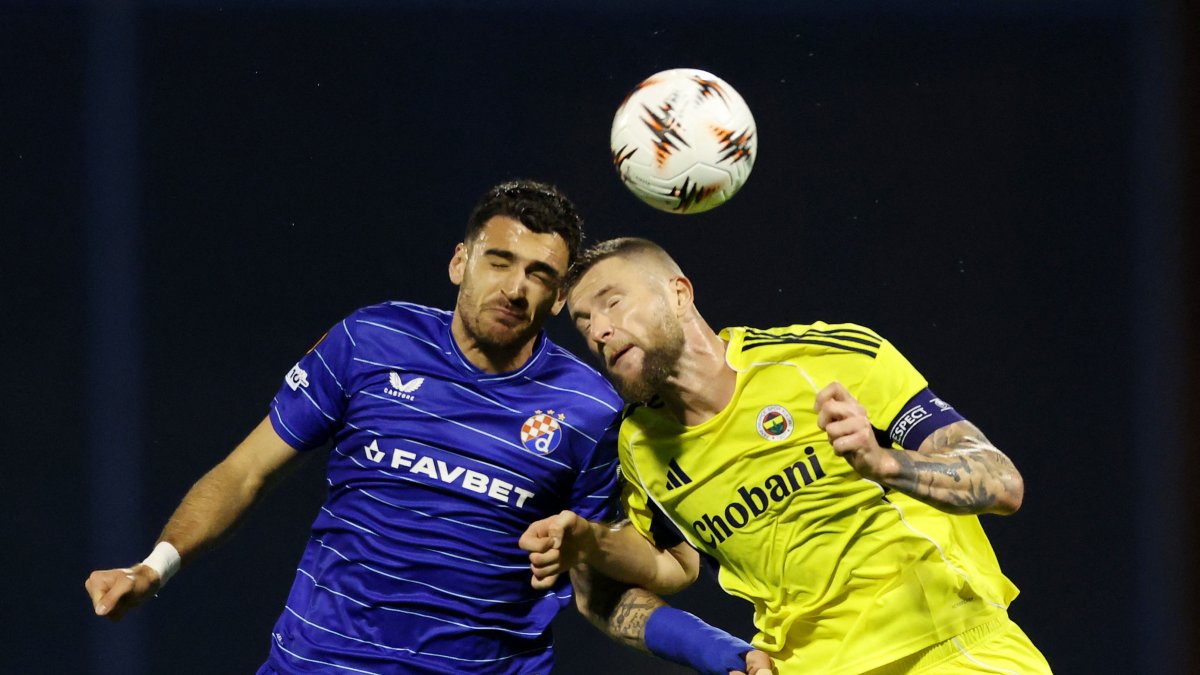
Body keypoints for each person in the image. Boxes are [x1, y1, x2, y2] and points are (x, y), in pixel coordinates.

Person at [84, 184, 770, 675]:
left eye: (539, 274)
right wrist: (154, 567)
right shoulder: (370, 340)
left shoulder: (592, 411)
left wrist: (717, 649)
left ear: (560, 298)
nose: (515, 287)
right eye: (499, 260)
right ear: (459, 261)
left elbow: (601, 591)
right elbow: (245, 470)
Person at [520, 237, 1052, 674]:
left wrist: (887, 463)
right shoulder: (636, 449)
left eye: (613, 302)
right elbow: (626, 585)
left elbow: (1001, 483)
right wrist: (592, 546)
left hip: (949, 649)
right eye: (585, 321)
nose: (598, 330)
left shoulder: (825, 359)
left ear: (680, 294)